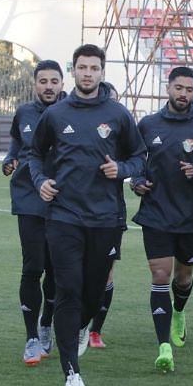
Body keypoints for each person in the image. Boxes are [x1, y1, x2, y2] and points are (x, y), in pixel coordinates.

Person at [28, 44, 146, 386]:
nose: (88, 73)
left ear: (101, 72)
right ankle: (72, 372)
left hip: (106, 219)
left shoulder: (119, 115)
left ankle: (80, 327)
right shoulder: (55, 115)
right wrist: (41, 181)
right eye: (82, 67)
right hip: (64, 217)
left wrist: (122, 168)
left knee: (93, 294)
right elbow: (34, 154)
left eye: (94, 68)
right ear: (74, 70)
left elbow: (141, 156)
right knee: (68, 289)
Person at [131, 66, 193, 372]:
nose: (183, 94)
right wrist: (136, 182)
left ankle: (179, 311)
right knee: (160, 276)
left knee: (183, 277)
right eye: (178, 88)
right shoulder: (147, 125)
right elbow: (136, 164)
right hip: (155, 213)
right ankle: (164, 346)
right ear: (168, 88)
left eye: (189, 89)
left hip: (188, 217)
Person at [2, 59, 65, 366]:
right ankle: (30, 338)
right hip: (29, 198)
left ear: (62, 84)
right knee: (33, 267)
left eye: (54, 81)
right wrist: (10, 158)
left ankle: (46, 324)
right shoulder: (24, 113)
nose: (49, 86)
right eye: (43, 81)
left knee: (55, 271)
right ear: (35, 84)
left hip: (63, 202)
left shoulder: (71, 113)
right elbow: (16, 141)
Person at [87, 81, 122, 349]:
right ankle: (73, 323)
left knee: (106, 273)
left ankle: (95, 330)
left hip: (111, 213)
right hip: (77, 212)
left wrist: (126, 171)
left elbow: (138, 158)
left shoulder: (122, 131)